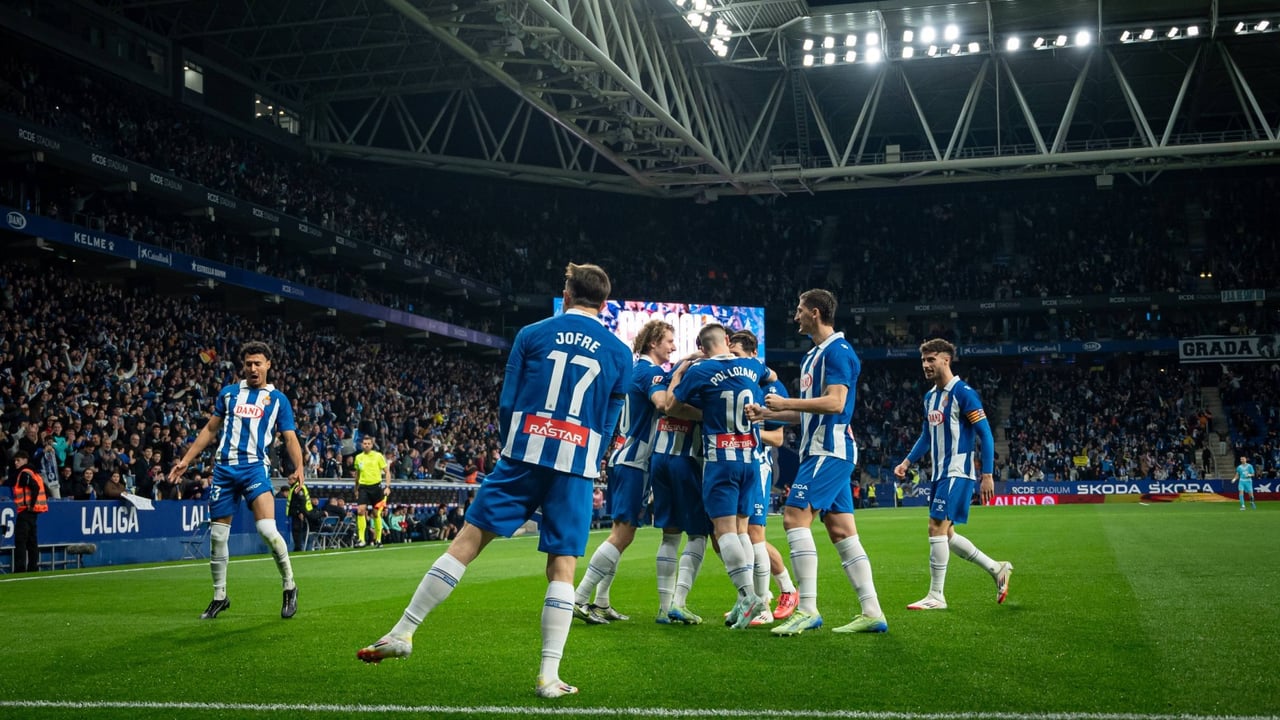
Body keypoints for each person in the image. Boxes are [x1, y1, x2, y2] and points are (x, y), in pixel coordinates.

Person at [356, 262, 631, 699]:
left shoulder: (533, 334)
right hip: (575, 464)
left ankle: (404, 632)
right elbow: (614, 416)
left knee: (465, 543)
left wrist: (512, 445)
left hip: (524, 453)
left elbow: (508, 401)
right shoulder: (620, 352)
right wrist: (591, 458)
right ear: (603, 302)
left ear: (567, 291)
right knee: (562, 568)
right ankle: (548, 676)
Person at [747, 289, 887, 636]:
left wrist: (784, 402)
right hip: (820, 449)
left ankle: (807, 608)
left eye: (798, 311)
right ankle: (872, 611)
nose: (794, 317)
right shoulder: (813, 356)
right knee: (840, 531)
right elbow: (808, 413)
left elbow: (836, 403)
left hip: (830, 450)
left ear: (815, 312)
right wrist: (769, 412)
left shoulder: (838, 351)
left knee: (794, 516)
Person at [168, 340, 304, 620]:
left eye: (258, 363)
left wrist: (299, 467)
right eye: (249, 364)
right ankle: (220, 596)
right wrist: (185, 460)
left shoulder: (278, 400)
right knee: (218, 538)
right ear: (243, 366)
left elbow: (290, 438)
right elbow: (210, 429)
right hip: (224, 470)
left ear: (268, 365)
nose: (253, 368)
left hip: (254, 468)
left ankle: (290, 585)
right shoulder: (229, 394)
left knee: (267, 530)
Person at [667, 323, 775, 629]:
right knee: (743, 533)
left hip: (720, 460)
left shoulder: (699, 372)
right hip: (750, 460)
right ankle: (751, 600)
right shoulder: (752, 364)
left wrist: (682, 375)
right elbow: (773, 377)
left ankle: (749, 597)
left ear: (702, 348)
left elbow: (672, 407)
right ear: (727, 341)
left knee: (724, 531)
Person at [892, 338, 1013, 611]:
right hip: (939, 474)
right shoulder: (930, 397)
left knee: (935, 527)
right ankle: (997, 568)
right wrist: (907, 461)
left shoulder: (963, 392)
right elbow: (926, 436)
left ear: (946, 360)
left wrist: (988, 474)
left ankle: (936, 596)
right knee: (946, 535)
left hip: (958, 471)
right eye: (923, 360)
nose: (925, 365)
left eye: (931, 359)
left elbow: (985, 434)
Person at [574, 319, 674, 625]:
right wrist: (682, 374)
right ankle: (579, 598)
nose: (672, 346)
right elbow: (663, 403)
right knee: (622, 533)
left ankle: (601, 601)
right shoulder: (651, 372)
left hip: (623, 456)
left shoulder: (633, 369)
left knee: (624, 533)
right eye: (669, 340)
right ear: (654, 342)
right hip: (636, 461)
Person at [728, 329, 799, 624]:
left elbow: (779, 437)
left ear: (753, 354)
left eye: (736, 355)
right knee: (733, 536)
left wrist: (752, 428)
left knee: (753, 535)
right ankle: (754, 597)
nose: (732, 361)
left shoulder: (768, 384)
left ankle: (777, 596)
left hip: (756, 464)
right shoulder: (729, 380)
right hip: (732, 464)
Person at [9, 450, 49, 572]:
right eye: (15, 460)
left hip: (26, 511)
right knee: (32, 541)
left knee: (21, 540)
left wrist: (31, 504)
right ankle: (33, 567)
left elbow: (35, 487)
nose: (16, 463)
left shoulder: (24, 473)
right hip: (34, 512)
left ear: (25, 460)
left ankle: (20, 568)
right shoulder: (34, 473)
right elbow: (43, 489)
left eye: (18, 460)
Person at [352, 436, 391, 548]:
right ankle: (361, 539)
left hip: (376, 487)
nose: (367, 445)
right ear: (362, 445)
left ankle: (378, 539)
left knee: (375, 513)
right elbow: (357, 475)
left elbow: (387, 472)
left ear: (372, 445)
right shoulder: (358, 457)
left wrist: (387, 486)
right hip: (363, 487)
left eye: (369, 443)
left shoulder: (378, 456)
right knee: (360, 510)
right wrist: (356, 489)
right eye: (365, 443)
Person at [287, 476, 314, 552]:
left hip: (298, 513)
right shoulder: (295, 487)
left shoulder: (298, 488)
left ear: (294, 480)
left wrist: (300, 512)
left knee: (297, 531)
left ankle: (298, 548)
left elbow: (301, 501)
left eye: (290, 479)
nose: (288, 481)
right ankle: (298, 547)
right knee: (296, 531)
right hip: (296, 513)